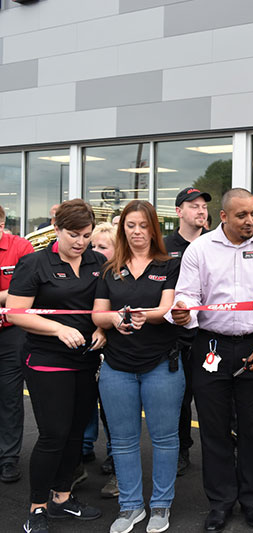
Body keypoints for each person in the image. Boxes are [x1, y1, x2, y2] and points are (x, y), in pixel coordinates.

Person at [170, 188, 253, 531]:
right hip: (211, 347)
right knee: (214, 428)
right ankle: (220, 502)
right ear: (223, 217)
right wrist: (182, 314)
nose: (250, 220)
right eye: (242, 215)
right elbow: (187, 296)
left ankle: (251, 499)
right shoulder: (199, 250)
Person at [7, 199, 106, 533]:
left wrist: (102, 330)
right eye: (73, 234)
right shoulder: (35, 263)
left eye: (86, 235)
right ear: (57, 230)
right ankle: (37, 507)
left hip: (86, 358)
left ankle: (62, 499)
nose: (80, 242)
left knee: (75, 434)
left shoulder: (98, 261)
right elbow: (16, 312)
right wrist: (59, 328)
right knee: (53, 434)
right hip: (47, 359)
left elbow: (105, 305)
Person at [92, 200, 183, 533]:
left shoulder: (169, 265)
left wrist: (147, 315)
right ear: (122, 229)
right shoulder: (109, 269)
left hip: (161, 365)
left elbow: (167, 308)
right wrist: (115, 319)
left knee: (164, 439)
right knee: (123, 440)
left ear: (154, 229)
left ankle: (161, 505)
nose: (137, 232)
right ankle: (130, 507)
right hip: (117, 367)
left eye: (143, 225)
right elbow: (98, 314)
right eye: (131, 225)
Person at [163, 186, 212, 477]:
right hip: (177, 337)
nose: (201, 210)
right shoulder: (164, 246)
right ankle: (182, 449)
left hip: (210, 335)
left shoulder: (216, 244)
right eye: (193, 206)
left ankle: (221, 448)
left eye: (203, 206)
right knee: (179, 399)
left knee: (215, 398)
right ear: (179, 211)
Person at [81, 222, 118, 498]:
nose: (94, 250)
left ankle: (116, 462)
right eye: (92, 245)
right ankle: (81, 455)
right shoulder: (86, 273)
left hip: (115, 355)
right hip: (83, 351)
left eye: (102, 247)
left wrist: (103, 328)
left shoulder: (120, 278)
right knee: (82, 406)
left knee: (113, 415)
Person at [0, 204, 34, 484]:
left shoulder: (21, 247)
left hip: (11, 333)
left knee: (10, 396)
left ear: (2, 225)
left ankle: (8, 458)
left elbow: (23, 289)